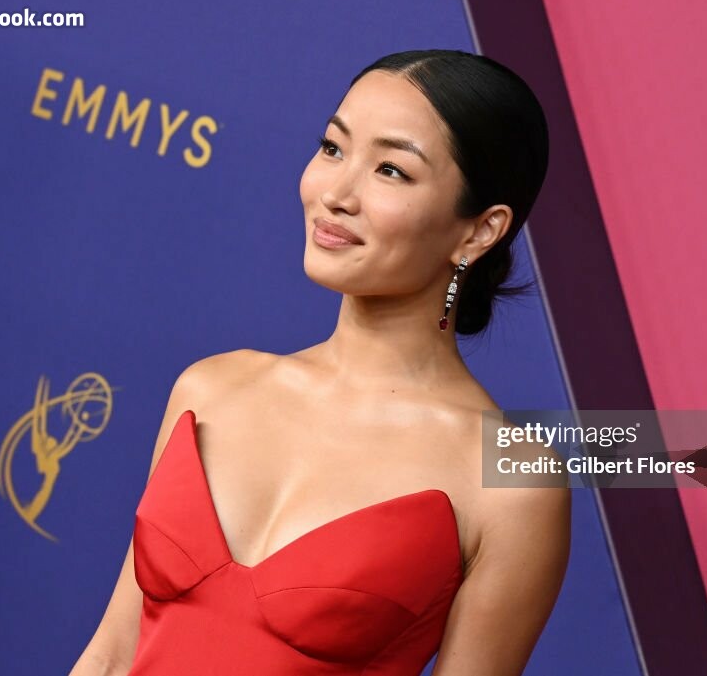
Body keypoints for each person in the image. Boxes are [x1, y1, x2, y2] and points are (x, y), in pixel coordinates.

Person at [69, 49, 571, 676]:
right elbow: (111, 655)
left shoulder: (509, 484)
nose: (334, 193)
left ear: (479, 231)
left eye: (391, 170)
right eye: (333, 148)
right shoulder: (211, 388)